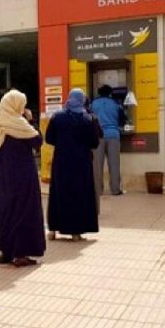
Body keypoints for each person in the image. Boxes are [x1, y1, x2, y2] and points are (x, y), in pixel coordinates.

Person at [0, 89, 45, 267]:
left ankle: (6, 252)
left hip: (5, 177)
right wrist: (31, 120)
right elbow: (37, 141)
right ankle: (20, 254)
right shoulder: (20, 124)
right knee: (24, 211)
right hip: (24, 175)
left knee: (6, 211)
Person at [46, 88, 100, 241]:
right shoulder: (87, 119)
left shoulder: (57, 117)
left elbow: (49, 139)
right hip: (81, 163)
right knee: (79, 194)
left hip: (61, 162)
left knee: (58, 193)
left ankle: (53, 230)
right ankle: (75, 231)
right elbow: (94, 143)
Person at [90, 85, 126, 195]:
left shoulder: (93, 104)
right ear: (110, 93)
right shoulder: (116, 104)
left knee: (97, 165)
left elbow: (90, 119)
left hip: (98, 136)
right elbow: (123, 120)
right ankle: (115, 190)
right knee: (114, 164)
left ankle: (98, 190)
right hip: (113, 135)